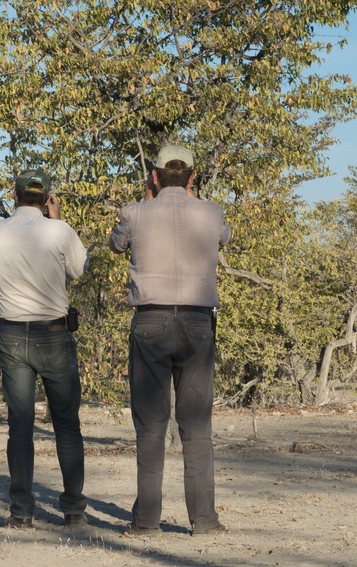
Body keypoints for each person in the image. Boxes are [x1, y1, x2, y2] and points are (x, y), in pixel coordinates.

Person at [108, 144, 232, 536]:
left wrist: (149, 199)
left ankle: (146, 521)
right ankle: (205, 521)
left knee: (151, 427)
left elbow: (116, 244)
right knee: (197, 428)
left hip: (151, 322)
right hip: (197, 323)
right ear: (193, 177)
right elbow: (223, 238)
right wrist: (188, 197)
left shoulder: (134, 212)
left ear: (155, 176)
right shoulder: (212, 213)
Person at [0, 169, 90, 529]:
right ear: (47, 199)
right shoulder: (58, 230)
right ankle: (74, 510)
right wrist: (57, 221)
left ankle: (21, 512)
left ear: (14, 196)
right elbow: (79, 269)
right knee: (66, 424)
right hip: (53, 333)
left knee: (20, 425)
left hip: (11, 334)